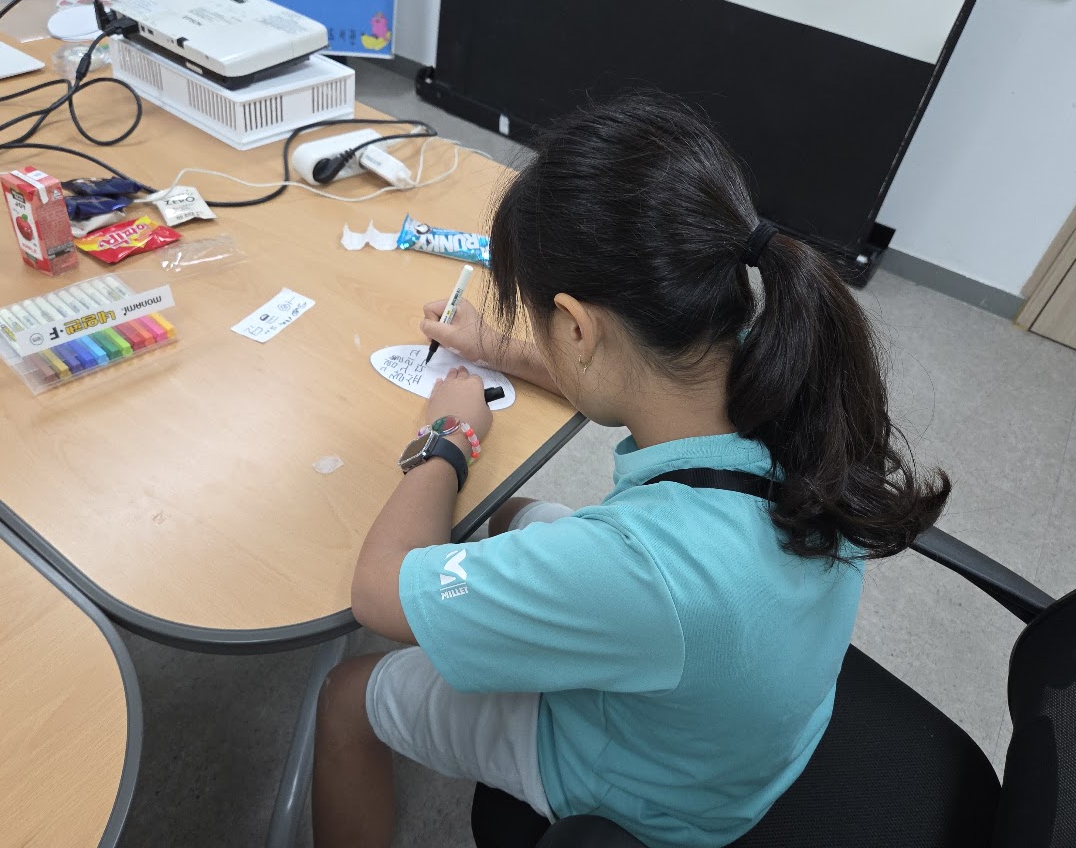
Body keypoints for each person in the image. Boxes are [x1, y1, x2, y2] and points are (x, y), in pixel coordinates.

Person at [313, 92, 950, 848]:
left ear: (577, 328)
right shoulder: (781, 364)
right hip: (745, 705)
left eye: (540, 326)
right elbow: (627, 374)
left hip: (669, 787)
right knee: (511, 513)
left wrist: (447, 437)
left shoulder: (634, 566)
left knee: (347, 694)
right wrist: (495, 350)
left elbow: (377, 594)